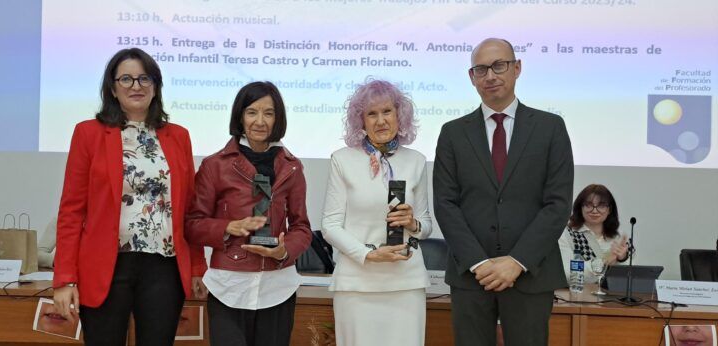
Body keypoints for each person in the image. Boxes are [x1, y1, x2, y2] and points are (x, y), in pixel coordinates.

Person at [52, 48, 207, 346]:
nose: (136, 86)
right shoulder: (89, 134)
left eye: (144, 78)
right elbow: (71, 212)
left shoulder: (179, 137)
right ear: (112, 87)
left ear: (156, 86)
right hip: (106, 268)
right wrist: (64, 279)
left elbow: (189, 210)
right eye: (126, 79)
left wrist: (198, 267)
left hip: (164, 268)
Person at [433, 38, 574, 346]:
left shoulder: (550, 128)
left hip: (530, 273)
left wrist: (517, 261)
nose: (491, 76)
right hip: (471, 276)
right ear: (472, 77)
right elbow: (445, 204)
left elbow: (558, 204)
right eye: (481, 69)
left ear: (517, 68)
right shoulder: (452, 133)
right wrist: (479, 263)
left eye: (499, 66)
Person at [185, 81, 312, 346]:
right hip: (229, 285)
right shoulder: (214, 165)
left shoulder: (292, 167)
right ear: (240, 116)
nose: (260, 121)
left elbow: (302, 227)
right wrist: (227, 227)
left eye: (269, 113)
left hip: (278, 287)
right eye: (252, 112)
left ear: (278, 118)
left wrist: (284, 249)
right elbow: (193, 225)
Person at [322, 79, 433, 346]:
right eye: (372, 114)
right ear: (360, 121)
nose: (381, 120)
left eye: (387, 112)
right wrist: (368, 254)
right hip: (356, 283)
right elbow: (330, 225)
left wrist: (413, 223)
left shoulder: (416, 160)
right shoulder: (342, 159)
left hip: (406, 282)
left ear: (400, 115)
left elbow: (427, 225)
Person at [558, 184, 632, 282]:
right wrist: (602, 262)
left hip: (613, 296)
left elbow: (632, 276)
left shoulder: (618, 238)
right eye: (588, 205)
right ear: (580, 208)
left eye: (601, 206)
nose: (594, 210)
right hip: (579, 295)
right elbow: (565, 272)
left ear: (610, 209)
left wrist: (622, 258)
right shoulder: (567, 234)